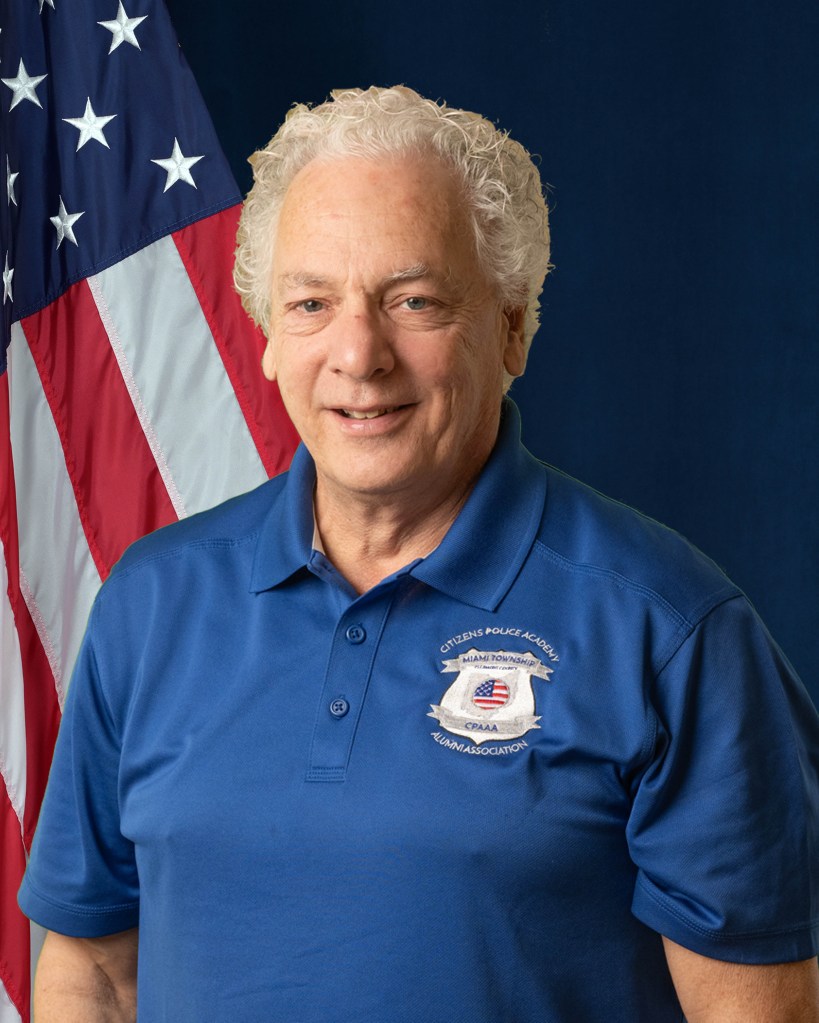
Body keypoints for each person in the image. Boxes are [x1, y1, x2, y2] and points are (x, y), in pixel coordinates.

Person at [20, 85, 819, 1022]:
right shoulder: (151, 605)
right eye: (312, 302)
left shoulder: (669, 632)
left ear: (513, 326)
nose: (359, 354)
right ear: (269, 338)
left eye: (414, 299)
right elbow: (96, 972)